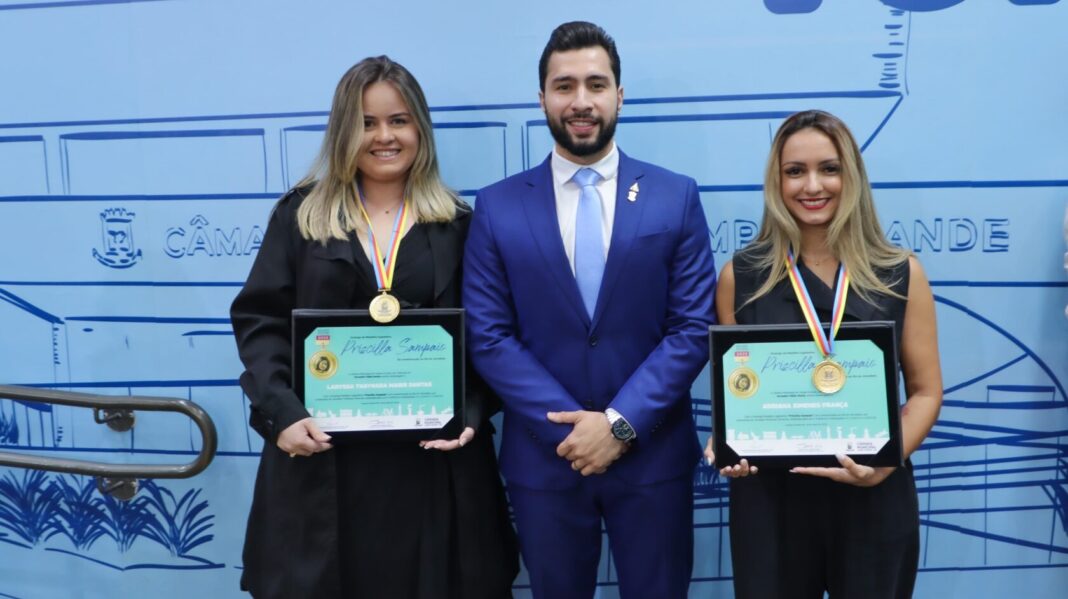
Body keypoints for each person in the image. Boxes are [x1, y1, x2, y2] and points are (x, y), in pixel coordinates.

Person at [231, 56, 518, 599]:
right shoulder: (299, 217)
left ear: (420, 129)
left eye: (399, 121)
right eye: (366, 123)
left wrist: (472, 411)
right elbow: (260, 322)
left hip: (433, 467)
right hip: (323, 464)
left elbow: (491, 335)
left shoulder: (459, 224)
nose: (385, 136)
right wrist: (282, 414)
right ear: (344, 131)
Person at [463, 22, 716, 599]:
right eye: (565, 86)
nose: (581, 101)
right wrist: (575, 432)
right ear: (542, 98)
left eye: (596, 85)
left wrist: (619, 424)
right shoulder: (498, 207)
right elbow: (490, 336)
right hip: (546, 460)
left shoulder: (674, 196)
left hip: (653, 458)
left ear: (619, 95)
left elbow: (691, 328)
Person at [705, 110, 943, 598]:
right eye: (795, 171)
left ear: (850, 175)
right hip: (771, 502)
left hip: (873, 497)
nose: (812, 185)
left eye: (829, 169)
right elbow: (738, 391)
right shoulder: (739, 277)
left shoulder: (900, 273)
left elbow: (925, 392)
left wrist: (884, 464)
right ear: (777, 181)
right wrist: (727, 442)